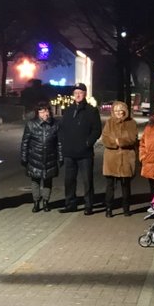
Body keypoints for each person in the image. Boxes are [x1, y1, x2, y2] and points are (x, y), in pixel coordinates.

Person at [57, 83, 102, 214]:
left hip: (85, 153)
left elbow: (97, 130)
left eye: (80, 92)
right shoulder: (68, 110)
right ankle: (70, 204)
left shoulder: (91, 111)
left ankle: (88, 205)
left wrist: (88, 143)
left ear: (85, 94)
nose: (77, 95)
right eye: (76, 93)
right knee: (69, 181)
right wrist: (63, 142)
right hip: (69, 152)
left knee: (87, 181)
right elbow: (62, 128)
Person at [21, 100, 62, 212]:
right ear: (37, 113)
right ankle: (36, 202)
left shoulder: (55, 124)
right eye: (42, 112)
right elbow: (25, 142)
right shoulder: (31, 124)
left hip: (50, 157)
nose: (45, 114)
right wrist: (24, 157)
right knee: (35, 181)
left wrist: (60, 157)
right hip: (34, 157)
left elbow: (59, 142)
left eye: (46, 111)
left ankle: (46, 201)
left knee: (48, 180)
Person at [100, 100, 139, 216]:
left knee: (125, 185)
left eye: (120, 110)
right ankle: (108, 208)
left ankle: (126, 208)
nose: (118, 112)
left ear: (124, 111)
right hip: (111, 159)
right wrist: (114, 143)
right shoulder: (109, 122)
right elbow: (105, 138)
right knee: (110, 186)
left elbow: (133, 139)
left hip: (126, 159)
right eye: (115, 110)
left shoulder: (131, 123)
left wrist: (120, 141)